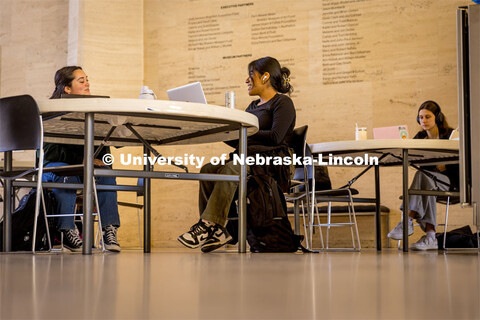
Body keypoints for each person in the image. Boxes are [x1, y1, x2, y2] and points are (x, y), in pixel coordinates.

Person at [178, 56, 296, 253]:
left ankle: (207, 224)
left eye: (251, 75)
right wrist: (218, 127)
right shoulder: (252, 108)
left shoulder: (282, 103)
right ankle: (218, 230)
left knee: (232, 168)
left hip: (272, 161)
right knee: (208, 169)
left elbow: (276, 137)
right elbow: (239, 139)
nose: (247, 80)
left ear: (265, 77)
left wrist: (245, 132)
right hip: (248, 159)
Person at [42, 66, 121, 252]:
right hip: (54, 168)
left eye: (87, 79)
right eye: (81, 80)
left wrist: (100, 162)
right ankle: (66, 230)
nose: (87, 83)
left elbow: (103, 149)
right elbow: (50, 152)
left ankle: (109, 231)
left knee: (105, 173)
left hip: (82, 168)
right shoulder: (52, 111)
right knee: (67, 174)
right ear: (67, 89)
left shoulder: (95, 110)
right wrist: (83, 160)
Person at [387, 100, 459, 250]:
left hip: (451, 181)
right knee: (425, 183)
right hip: (431, 183)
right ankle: (431, 236)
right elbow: (407, 155)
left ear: (437, 118)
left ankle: (407, 221)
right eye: (421, 117)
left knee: (422, 177)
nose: (423, 121)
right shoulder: (420, 137)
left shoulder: (451, 135)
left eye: (428, 117)